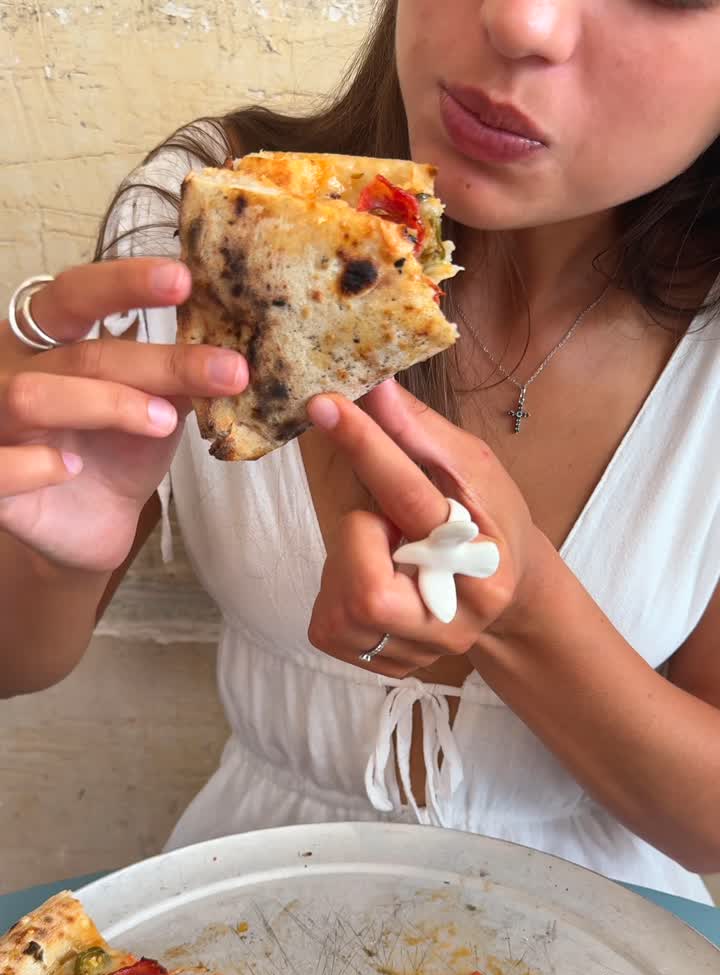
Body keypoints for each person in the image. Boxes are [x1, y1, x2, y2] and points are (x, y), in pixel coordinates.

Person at [2, 0, 719, 902]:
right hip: (242, 937)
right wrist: (50, 547)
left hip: (610, 964)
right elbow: (14, 663)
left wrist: (525, 613)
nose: (521, 21)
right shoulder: (220, 217)